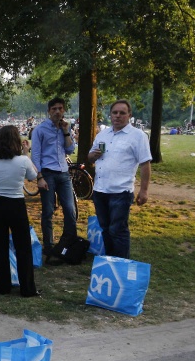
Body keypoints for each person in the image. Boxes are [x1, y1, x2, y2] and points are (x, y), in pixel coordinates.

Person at [88, 99, 152, 259]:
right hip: (100, 190)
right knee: (105, 228)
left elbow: (145, 164)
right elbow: (89, 158)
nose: (118, 116)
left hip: (121, 192)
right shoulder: (102, 134)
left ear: (129, 115)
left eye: (122, 113)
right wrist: (92, 156)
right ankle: (110, 261)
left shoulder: (138, 136)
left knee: (118, 230)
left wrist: (144, 191)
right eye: (115, 112)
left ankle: (121, 263)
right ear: (110, 114)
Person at [0, 126, 40, 297]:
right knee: (23, 247)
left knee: (0, 247)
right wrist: (27, 153)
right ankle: (27, 288)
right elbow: (32, 176)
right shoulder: (23, 161)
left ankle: (3, 286)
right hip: (16, 204)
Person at [31, 97, 77, 256]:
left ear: (64, 110)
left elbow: (70, 150)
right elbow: (35, 155)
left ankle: (69, 243)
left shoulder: (66, 128)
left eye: (60, 108)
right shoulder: (40, 130)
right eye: (54, 109)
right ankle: (49, 245)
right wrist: (40, 177)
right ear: (49, 111)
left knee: (70, 210)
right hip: (48, 173)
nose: (57, 112)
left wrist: (65, 132)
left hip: (64, 173)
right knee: (48, 211)